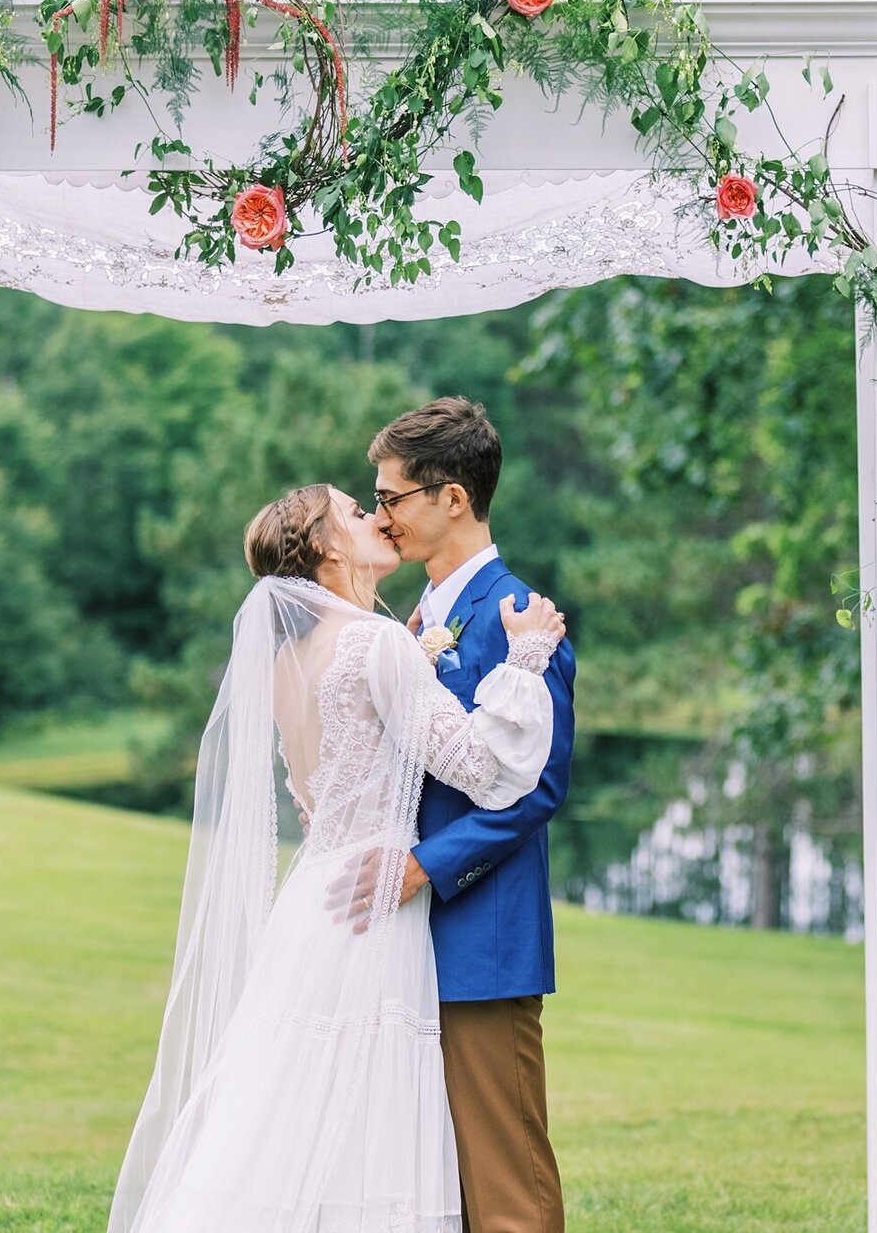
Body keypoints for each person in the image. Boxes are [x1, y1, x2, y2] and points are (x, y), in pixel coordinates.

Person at [108, 481, 567, 1233]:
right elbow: (482, 768)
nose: (376, 517)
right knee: (365, 1113)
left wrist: (418, 654)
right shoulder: (377, 642)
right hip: (375, 901)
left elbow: (321, 793)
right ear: (325, 547)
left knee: (288, 1107)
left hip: (315, 900)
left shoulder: (289, 664)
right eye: (357, 512)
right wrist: (524, 658)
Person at [366, 397, 576, 1233]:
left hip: (479, 935)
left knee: (505, 1185)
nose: (381, 514)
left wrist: (429, 864)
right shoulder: (415, 615)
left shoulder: (518, 616)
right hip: (400, 940)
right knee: (430, 1178)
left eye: (392, 497)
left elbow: (539, 788)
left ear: (452, 497)